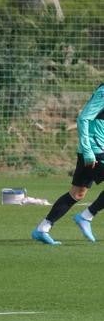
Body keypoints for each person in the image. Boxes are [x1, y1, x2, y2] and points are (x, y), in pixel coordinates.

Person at [31, 83, 104, 245]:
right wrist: (88, 151)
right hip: (94, 149)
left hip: (96, 147)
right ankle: (86, 216)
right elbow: (84, 117)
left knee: (77, 193)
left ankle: (42, 228)